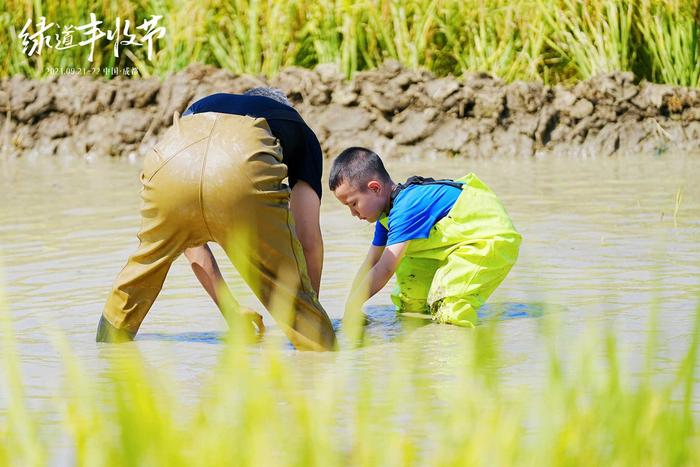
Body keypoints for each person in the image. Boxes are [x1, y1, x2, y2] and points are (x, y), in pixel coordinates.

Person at [96, 88, 336, 351]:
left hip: (171, 161)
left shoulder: (202, 106)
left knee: (140, 276)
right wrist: (307, 310)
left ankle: (103, 362)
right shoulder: (294, 124)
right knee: (313, 336)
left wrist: (230, 310)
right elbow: (308, 237)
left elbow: (193, 247)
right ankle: (315, 357)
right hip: (243, 159)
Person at [329, 147, 521, 333]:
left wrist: (354, 305)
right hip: (454, 243)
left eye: (353, 204)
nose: (353, 213)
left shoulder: (406, 208)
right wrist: (350, 306)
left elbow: (385, 268)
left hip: (487, 237)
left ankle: (466, 353)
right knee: (411, 305)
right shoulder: (385, 219)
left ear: (375, 188)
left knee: (448, 307)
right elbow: (370, 263)